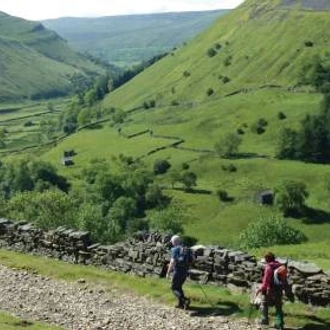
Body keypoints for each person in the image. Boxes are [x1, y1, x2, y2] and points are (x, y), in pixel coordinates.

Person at [255, 252, 285, 330]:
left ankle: (264, 320)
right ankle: (280, 324)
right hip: (279, 289)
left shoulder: (268, 267)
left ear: (267, 259)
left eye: (265, 258)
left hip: (271, 289)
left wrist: (260, 289)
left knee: (264, 304)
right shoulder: (280, 266)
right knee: (278, 306)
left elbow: (265, 281)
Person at [166, 235, 193, 309]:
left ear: (174, 242)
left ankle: (185, 300)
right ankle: (180, 304)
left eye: (172, 242)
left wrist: (168, 272)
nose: (172, 244)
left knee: (174, 288)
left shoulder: (175, 249)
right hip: (185, 272)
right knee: (179, 287)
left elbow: (172, 262)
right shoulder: (186, 249)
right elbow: (192, 259)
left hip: (178, 271)